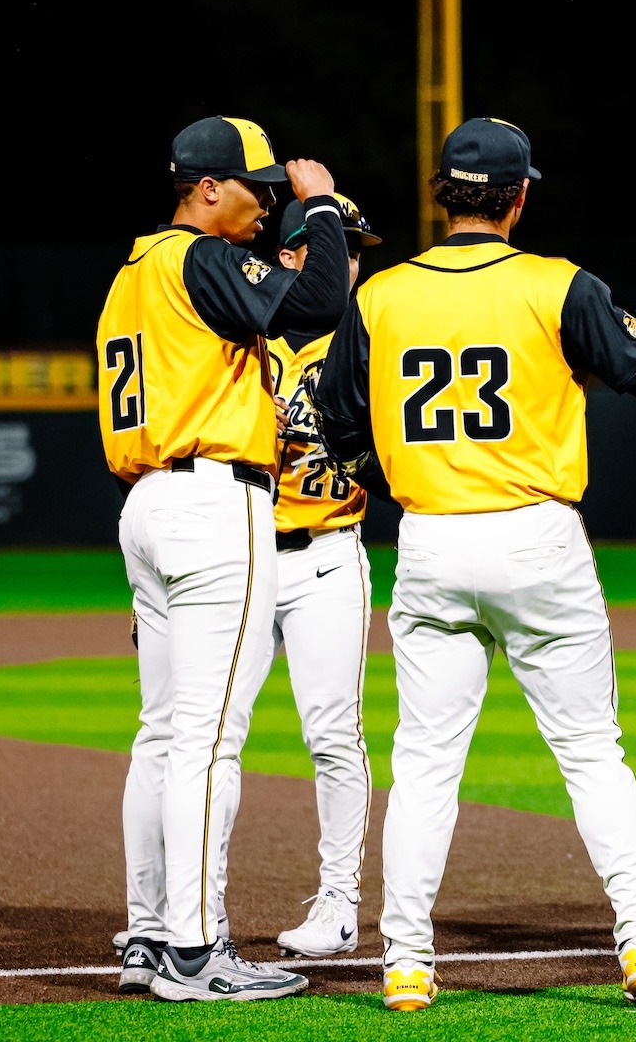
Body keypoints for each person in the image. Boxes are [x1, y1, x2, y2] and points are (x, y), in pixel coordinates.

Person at [313, 117, 636, 1012]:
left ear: (444, 195)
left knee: (425, 764)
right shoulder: (557, 285)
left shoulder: (382, 294)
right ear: (519, 199)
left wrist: (394, 477)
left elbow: (335, 423)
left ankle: (406, 961)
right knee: (591, 752)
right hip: (536, 538)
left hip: (432, 538)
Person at [100, 115, 350, 1001]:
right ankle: (196, 952)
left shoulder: (132, 272)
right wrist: (323, 208)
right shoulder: (199, 256)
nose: (269, 204)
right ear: (207, 188)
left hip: (148, 503)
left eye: (279, 192)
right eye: (259, 188)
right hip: (212, 503)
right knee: (208, 742)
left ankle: (146, 935)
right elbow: (321, 302)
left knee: (162, 734)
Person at [263, 192, 385, 959]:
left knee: (334, 734)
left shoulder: (368, 343)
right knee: (205, 736)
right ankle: (188, 909)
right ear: (287, 259)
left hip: (328, 554)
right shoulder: (241, 332)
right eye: (334, 246)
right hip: (237, 558)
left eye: (356, 250)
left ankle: (338, 904)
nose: (349, 262)